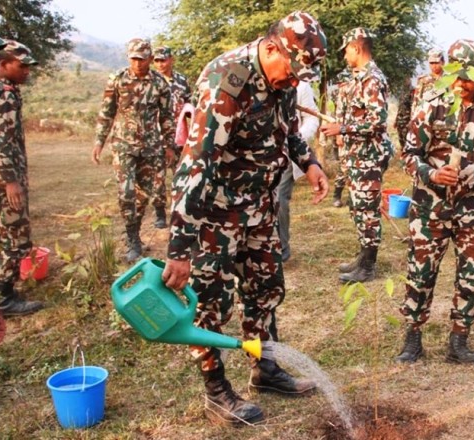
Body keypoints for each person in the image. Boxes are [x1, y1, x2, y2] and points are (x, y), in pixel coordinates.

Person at [160, 11, 329, 426]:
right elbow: (195, 166)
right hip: (215, 214)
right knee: (210, 304)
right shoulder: (227, 79)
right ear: (271, 47)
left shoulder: (286, 76)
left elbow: (288, 130)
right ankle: (216, 392)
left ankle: (265, 368)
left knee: (265, 290)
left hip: (260, 208)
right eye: (290, 74)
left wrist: (309, 162)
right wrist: (181, 248)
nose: (292, 84)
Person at [396, 39, 474, 365]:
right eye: (456, 76)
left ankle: (459, 342)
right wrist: (430, 174)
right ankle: (413, 339)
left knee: (473, 274)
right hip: (430, 205)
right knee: (421, 273)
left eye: (469, 78)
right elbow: (408, 154)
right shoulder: (431, 103)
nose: (461, 85)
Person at [320, 28, 393, 283]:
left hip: (369, 157)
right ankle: (363, 257)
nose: (345, 57)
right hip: (357, 155)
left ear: (357, 48)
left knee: (367, 209)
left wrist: (343, 128)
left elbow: (378, 122)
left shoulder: (373, 79)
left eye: (346, 51)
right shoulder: (358, 78)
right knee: (358, 208)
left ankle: (368, 266)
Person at [92, 38, 175, 260]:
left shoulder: (159, 84)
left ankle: (135, 233)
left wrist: (169, 145)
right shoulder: (117, 80)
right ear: (129, 57)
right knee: (126, 192)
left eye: (142, 58)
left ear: (149, 58)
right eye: (134, 58)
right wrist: (99, 141)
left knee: (144, 195)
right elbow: (106, 112)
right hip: (123, 146)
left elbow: (167, 117)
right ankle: (132, 239)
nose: (138, 63)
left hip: (151, 147)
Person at [0, 40, 44, 316]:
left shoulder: (7, 90)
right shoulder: (4, 93)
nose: (27, 71)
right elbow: (2, 140)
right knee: (18, 239)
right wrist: (11, 180)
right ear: (3, 65)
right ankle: (5, 299)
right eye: (22, 65)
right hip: (5, 180)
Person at [277, 81, 320, 262]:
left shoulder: (301, 86)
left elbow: (312, 118)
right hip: (262, 156)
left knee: (278, 198)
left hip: (288, 153)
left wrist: (297, 143)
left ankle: (282, 248)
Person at [151, 46, 192, 229]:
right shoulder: (151, 81)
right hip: (157, 135)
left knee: (181, 174)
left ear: (171, 59)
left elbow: (190, 103)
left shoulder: (181, 80)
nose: (160, 64)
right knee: (158, 177)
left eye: (163, 60)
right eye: (157, 61)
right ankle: (159, 212)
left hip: (179, 136)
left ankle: (179, 209)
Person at [395, 48, 445, 145]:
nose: (434, 66)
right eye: (431, 63)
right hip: (425, 121)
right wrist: (413, 120)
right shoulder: (423, 80)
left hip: (443, 122)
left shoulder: (449, 80)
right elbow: (416, 102)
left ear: (443, 62)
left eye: (436, 62)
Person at [329, 68, 353, 208]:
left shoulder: (355, 93)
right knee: (344, 166)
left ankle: (352, 197)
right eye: (339, 83)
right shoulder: (337, 94)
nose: (340, 85)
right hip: (341, 133)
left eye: (343, 82)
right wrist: (338, 135)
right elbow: (337, 116)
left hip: (354, 134)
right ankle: (337, 196)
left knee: (354, 168)